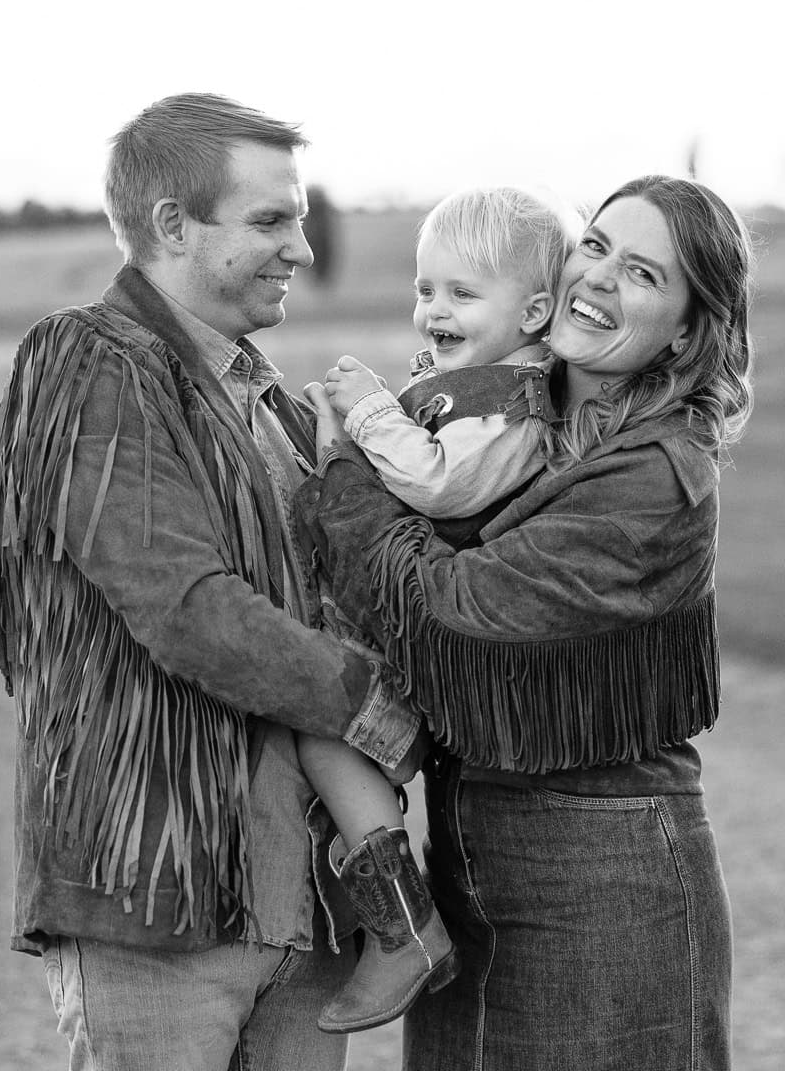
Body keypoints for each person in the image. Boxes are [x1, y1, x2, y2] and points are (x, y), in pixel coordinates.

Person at [0, 92, 422, 1071]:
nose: (301, 248)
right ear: (172, 225)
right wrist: (383, 709)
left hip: (298, 906)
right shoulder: (87, 360)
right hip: (156, 902)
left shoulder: (269, 400)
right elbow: (188, 611)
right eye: (270, 220)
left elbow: (336, 598)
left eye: (298, 219)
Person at [297, 174, 755, 1070]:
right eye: (597, 246)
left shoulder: (659, 475)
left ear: (690, 331)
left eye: (645, 275)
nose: (600, 280)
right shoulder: (507, 399)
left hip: (603, 877)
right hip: (469, 863)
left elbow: (459, 611)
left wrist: (344, 482)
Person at [296, 184, 578, 1034]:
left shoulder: (509, 404)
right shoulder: (470, 387)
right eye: (426, 290)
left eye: (462, 293)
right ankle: (363, 896)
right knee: (317, 733)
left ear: (533, 310)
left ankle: (404, 926)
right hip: (404, 621)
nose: (434, 310)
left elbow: (435, 480)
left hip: (426, 647)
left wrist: (374, 412)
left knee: (317, 722)